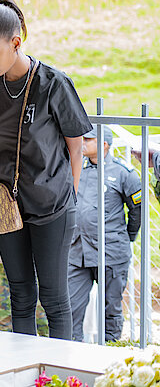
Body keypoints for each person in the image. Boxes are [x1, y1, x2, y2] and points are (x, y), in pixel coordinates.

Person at [0, 0, 91, 339]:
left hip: (52, 205)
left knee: (54, 299)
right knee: (20, 296)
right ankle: (26, 364)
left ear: (16, 42)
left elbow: (76, 145)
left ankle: (59, 367)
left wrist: (70, 194)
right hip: (6, 205)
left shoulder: (52, 83)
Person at [68, 126, 141, 342]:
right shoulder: (75, 166)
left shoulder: (123, 173)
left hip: (110, 253)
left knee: (111, 309)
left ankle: (110, 351)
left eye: (88, 140)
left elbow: (137, 210)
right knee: (70, 308)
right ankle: (70, 352)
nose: (82, 142)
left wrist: (126, 237)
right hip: (78, 252)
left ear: (104, 145)